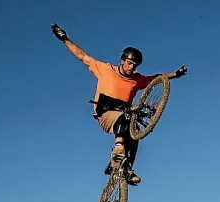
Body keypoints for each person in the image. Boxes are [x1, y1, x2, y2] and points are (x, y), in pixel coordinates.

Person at [50, 23, 188, 185]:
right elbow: (82, 56)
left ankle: (125, 169)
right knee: (125, 118)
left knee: (134, 133)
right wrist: (64, 38)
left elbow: (155, 78)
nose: (132, 67)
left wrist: (175, 74)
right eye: (129, 63)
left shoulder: (136, 80)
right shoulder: (105, 69)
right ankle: (118, 150)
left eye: (135, 65)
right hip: (106, 112)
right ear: (122, 60)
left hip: (124, 114)